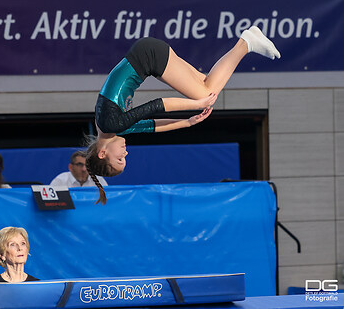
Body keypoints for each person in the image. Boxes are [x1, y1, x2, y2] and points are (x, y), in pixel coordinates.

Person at [86, 26, 281, 204]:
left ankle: (246, 43)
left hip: (149, 57)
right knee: (208, 82)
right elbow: (153, 126)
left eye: (120, 159)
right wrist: (187, 122)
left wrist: (196, 105)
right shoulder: (110, 128)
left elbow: (157, 105)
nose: (125, 153)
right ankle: (247, 42)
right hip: (146, 54)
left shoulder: (111, 124)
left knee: (205, 94)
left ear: (103, 153)